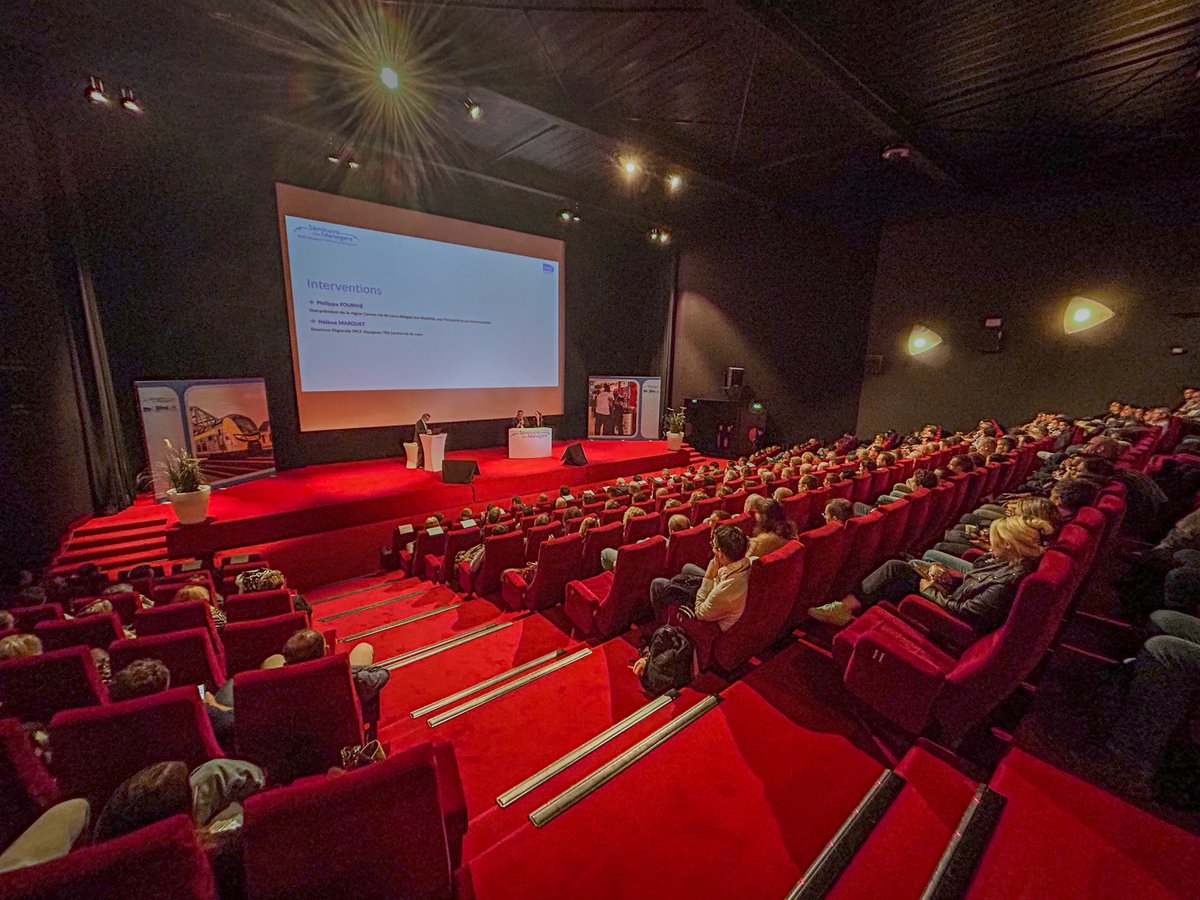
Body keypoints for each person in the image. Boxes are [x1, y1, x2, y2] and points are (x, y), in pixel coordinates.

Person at [810, 516, 1053, 633]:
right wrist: (949, 577)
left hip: (948, 612)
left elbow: (966, 614)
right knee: (896, 566)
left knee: (896, 569)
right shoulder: (1007, 563)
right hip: (951, 593)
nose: (990, 544)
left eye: (994, 540)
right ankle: (845, 608)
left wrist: (931, 590)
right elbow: (974, 583)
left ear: (1009, 545)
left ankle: (844, 609)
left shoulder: (1009, 579)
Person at [647, 524, 751, 629]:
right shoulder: (745, 563)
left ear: (720, 553)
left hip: (708, 618)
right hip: (718, 590)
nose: (711, 546)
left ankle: (663, 626)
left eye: (713, 545)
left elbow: (700, 612)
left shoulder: (725, 590)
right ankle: (675, 591)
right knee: (688, 568)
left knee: (657, 584)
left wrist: (709, 577)